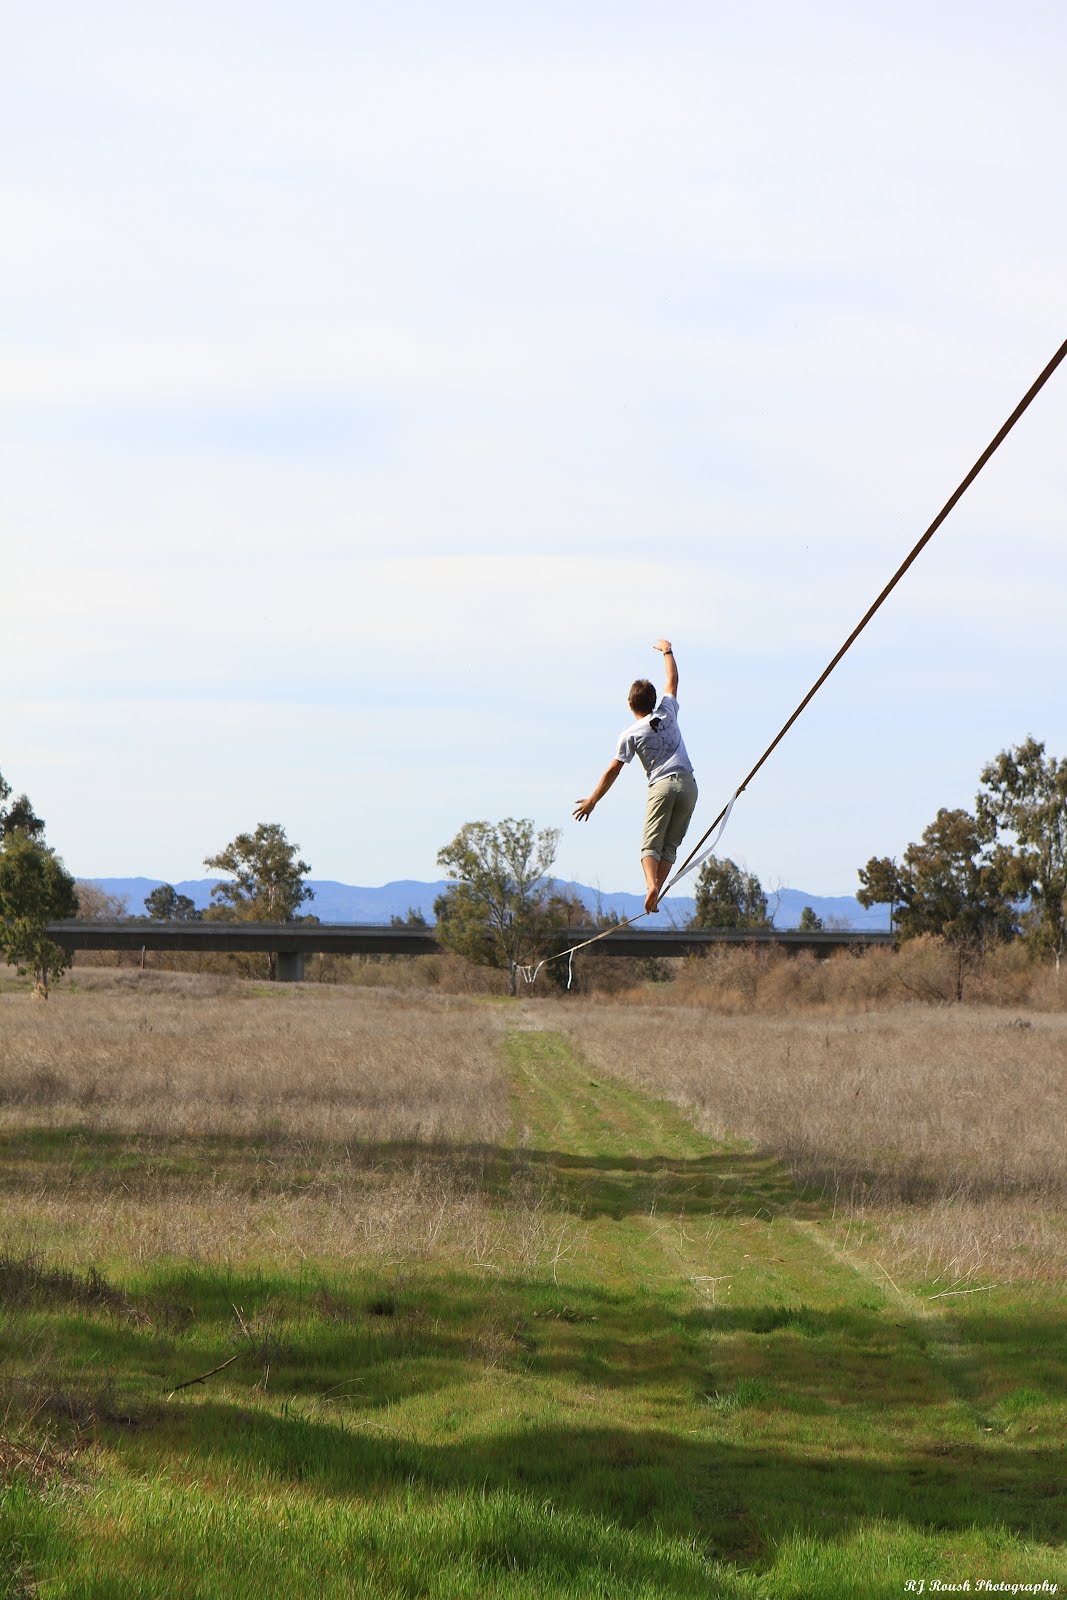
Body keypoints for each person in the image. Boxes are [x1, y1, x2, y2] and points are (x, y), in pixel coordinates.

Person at [573, 640, 698, 914]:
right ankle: (656, 891)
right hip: (689, 785)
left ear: (631, 705)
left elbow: (613, 770)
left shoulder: (630, 734)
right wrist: (667, 650)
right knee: (671, 845)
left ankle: (651, 887)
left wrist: (593, 800)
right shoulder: (668, 710)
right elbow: (673, 678)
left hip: (662, 786)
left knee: (650, 846)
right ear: (653, 700)